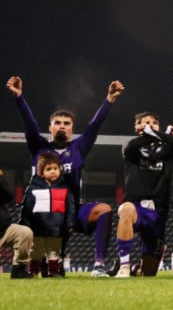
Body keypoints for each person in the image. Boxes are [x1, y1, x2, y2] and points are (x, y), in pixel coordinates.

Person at [6, 75, 124, 277]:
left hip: (72, 211)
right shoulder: (39, 148)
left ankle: (98, 265)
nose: (62, 126)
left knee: (104, 210)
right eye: (57, 122)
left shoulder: (79, 148)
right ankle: (43, 263)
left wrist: (109, 100)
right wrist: (19, 98)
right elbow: (29, 124)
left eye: (67, 123)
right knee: (47, 271)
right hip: (42, 215)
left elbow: (93, 126)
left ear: (72, 128)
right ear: (50, 127)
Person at [114, 112, 173, 277]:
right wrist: (153, 135)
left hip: (158, 212)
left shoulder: (166, 152)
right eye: (147, 122)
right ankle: (124, 265)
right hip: (136, 206)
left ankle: (137, 269)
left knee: (149, 272)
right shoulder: (131, 147)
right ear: (137, 127)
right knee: (125, 210)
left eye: (155, 123)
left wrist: (159, 135)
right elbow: (130, 147)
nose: (151, 125)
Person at [20, 152, 76, 278]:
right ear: (41, 172)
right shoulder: (33, 189)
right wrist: (26, 224)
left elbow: (70, 208)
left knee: (54, 252)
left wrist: (70, 223)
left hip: (57, 228)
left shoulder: (65, 189)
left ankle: (53, 273)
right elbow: (27, 208)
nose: (53, 172)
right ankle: (33, 272)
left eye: (55, 168)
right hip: (38, 228)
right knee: (35, 252)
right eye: (48, 169)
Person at [0, 168, 33, 279]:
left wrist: (0, 178)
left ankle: (19, 270)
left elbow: (10, 195)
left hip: (3, 230)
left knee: (24, 232)